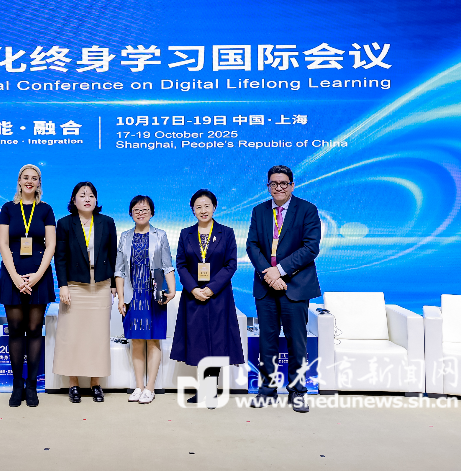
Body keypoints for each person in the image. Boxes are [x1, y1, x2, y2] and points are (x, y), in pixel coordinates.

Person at [246, 165, 321, 413]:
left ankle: (297, 392)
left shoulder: (307, 210)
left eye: (283, 183)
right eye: (273, 183)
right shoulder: (259, 211)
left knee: (297, 343)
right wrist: (269, 274)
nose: (278, 187)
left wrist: (279, 271)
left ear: (292, 185)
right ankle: (267, 391)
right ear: (268, 186)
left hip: (295, 286)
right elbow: (252, 246)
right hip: (266, 286)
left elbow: (310, 248)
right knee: (266, 341)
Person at [170, 189, 245, 405]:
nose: (203, 210)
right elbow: (181, 265)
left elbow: (231, 264)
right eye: (198, 207)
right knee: (198, 341)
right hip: (193, 296)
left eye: (207, 206)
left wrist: (211, 288)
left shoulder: (226, 233)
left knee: (217, 341)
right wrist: (194, 289)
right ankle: (204, 388)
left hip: (218, 295)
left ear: (214, 207)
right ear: (192, 210)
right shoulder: (186, 234)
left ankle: (210, 390)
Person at [0, 164, 56, 408]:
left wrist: (36, 277)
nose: (29, 181)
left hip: (39, 276)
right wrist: (16, 278)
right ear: (19, 181)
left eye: (34, 178)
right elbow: (3, 244)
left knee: (34, 331)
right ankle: (17, 386)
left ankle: (31, 386)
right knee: (15, 330)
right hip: (12, 276)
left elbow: (51, 246)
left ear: (39, 183)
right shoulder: (8, 208)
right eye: (25, 177)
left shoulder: (46, 210)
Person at [53, 182, 117, 403]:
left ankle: (95, 383)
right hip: (74, 285)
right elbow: (60, 257)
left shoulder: (107, 222)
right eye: (82, 195)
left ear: (96, 200)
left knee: (97, 336)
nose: (87, 199)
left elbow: (113, 254)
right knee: (73, 336)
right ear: (74, 200)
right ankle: (73, 383)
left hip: (100, 285)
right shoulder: (64, 223)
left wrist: (114, 283)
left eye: (91, 195)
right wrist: (63, 285)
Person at [115, 195, 176, 404]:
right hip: (133, 296)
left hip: (154, 295)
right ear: (131, 213)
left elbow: (167, 265)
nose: (140, 213)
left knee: (153, 340)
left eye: (145, 209)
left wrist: (172, 290)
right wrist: (121, 298)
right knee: (137, 341)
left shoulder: (160, 235)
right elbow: (119, 270)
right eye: (136, 210)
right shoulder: (124, 237)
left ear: (152, 213)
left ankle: (150, 388)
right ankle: (139, 386)